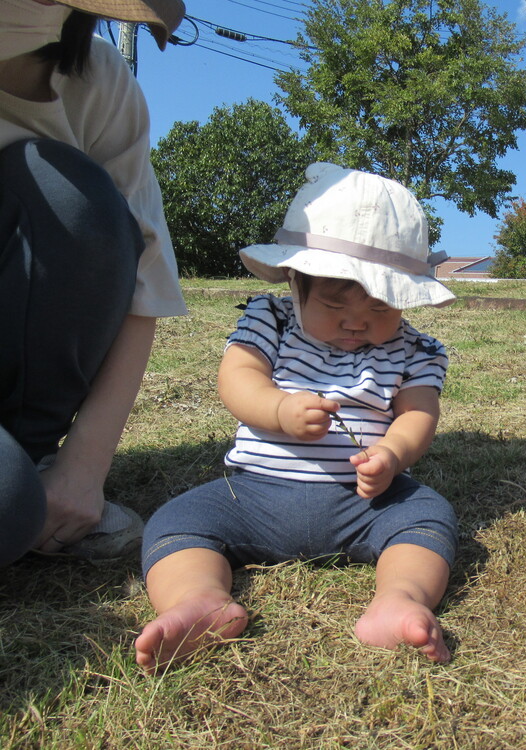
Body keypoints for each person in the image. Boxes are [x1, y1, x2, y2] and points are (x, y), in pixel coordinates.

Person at [134, 163, 459, 672]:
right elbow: (237, 377)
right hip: (254, 494)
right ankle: (197, 600)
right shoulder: (271, 319)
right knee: (177, 522)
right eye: (333, 306)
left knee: (427, 516)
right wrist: (279, 408)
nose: (356, 323)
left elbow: (419, 412)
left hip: (366, 503)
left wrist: (392, 455)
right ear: (294, 281)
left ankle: (399, 598)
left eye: (380, 310)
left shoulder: (416, 350)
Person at [0, 0, 188, 565]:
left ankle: (28, 460)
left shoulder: (99, 82)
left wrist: (82, 470)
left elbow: (142, 287)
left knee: (72, 196)